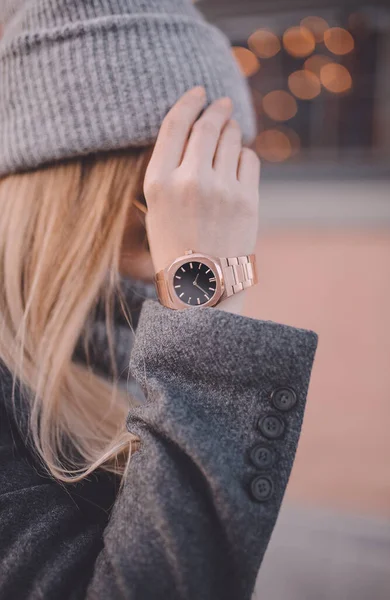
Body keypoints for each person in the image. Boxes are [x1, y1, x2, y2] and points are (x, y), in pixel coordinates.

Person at [0, 1, 318, 598]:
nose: (220, 195)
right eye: (194, 164)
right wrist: (208, 307)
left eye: (229, 160)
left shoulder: (126, 325)